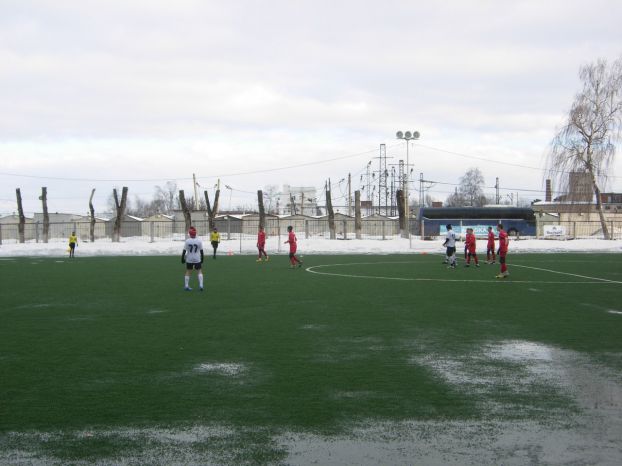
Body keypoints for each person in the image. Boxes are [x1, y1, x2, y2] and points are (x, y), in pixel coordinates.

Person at [181, 226, 204, 291]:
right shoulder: (199, 241)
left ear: (190, 234)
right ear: (195, 233)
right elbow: (201, 251)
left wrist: (182, 258)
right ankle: (201, 285)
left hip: (189, 258)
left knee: (188, 271)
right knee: (199, 271)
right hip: (197, 258)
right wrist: (202, 259)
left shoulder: (187, 241)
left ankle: (186, 286)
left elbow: (184, 251)